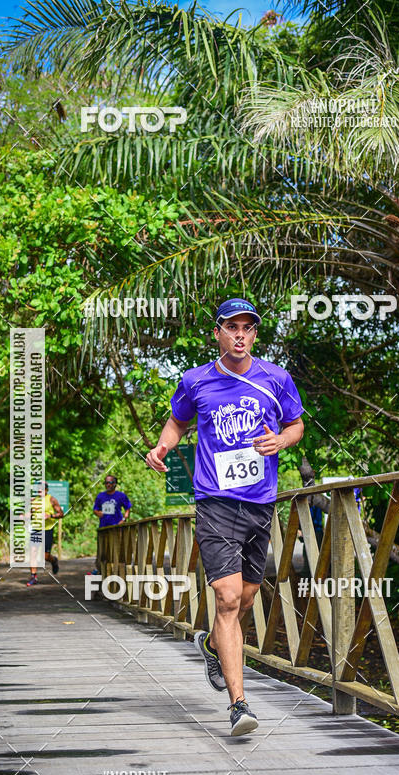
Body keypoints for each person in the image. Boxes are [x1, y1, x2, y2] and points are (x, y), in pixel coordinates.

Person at [146, 299, 304, 736]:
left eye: (247, 328)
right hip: (215, 502)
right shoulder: (196, 381)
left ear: (254, 334)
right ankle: (239, 705)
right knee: (229, 598)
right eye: (231, 327)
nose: (239, 335)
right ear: (217, 332)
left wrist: (282, 442)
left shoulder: (276, 378)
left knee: (248, 597)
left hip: (260, 502)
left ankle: (212, 644)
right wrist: (162, 448)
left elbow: (296, 425)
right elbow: (177, 423)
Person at [91, 475, 132, 574]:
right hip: (103, 528)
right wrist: (98, 513)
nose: (108, 485)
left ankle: (118, 570)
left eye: (110, 483)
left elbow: (128, 508)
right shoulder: (101, 496)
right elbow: (95, 509)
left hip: (117, 527)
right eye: (106, 483)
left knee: (117, 549)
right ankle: (101, 570)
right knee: (103, 551)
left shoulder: (121, 495)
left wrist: (124, 519)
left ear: (115, 484)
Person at [27, 482, 64, 586]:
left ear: (47, 490)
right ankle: (33, 577)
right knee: (33, 552)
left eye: (42, 489)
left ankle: (53, 560)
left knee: (45, 556)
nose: (39, 490)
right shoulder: (33, 500)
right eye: (38, 488)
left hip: (47, 529)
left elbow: (61, 514)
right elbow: (30, 513)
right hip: (35, 529)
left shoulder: (51, 500)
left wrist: (50, 516)